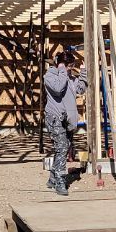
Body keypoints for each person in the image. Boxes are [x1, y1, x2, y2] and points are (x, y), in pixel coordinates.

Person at [43, 50, 87, 196]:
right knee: (61, 147)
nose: (70, 69)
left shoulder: (69, 78)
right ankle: (60, 181)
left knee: (64, 147)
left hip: (67, 119)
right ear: (62, 65)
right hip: (54, 117)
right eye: (69, 66)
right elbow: (58, 88)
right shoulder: (50, 76)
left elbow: (80, 88)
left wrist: (83, 72)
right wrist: (61, 69)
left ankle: (52, 177)